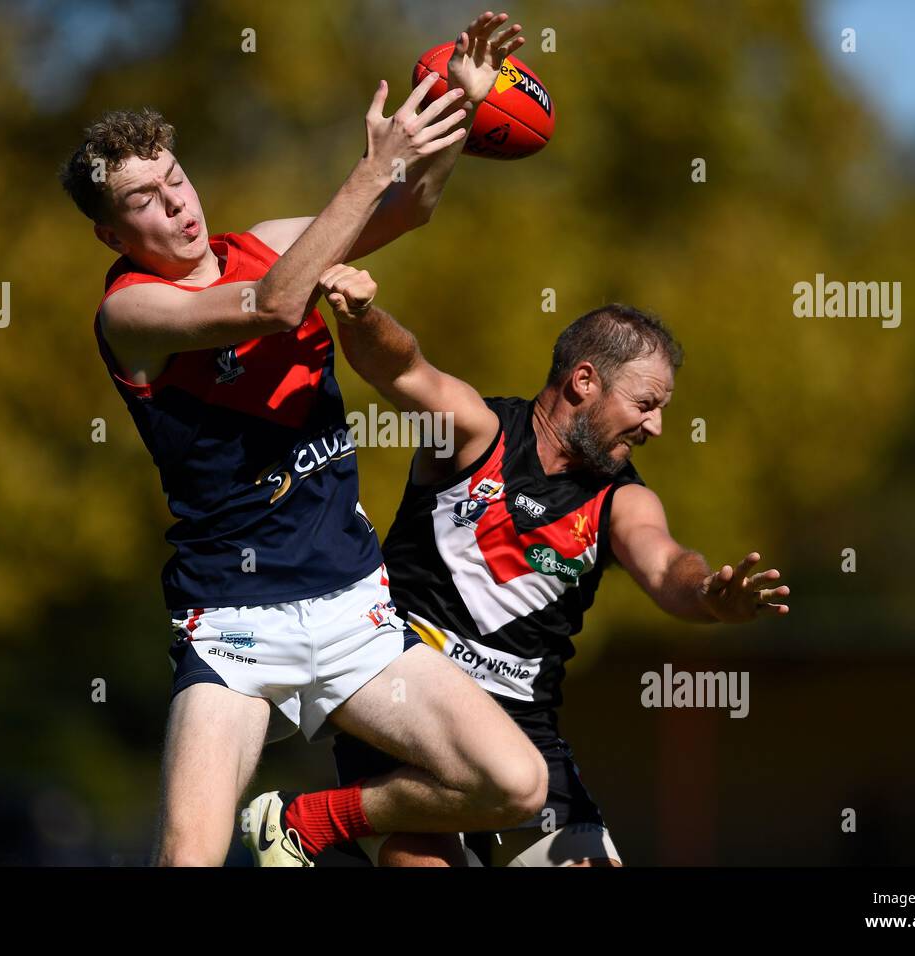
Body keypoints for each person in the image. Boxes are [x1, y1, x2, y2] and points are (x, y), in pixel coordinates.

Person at [59, 13, 550, 867]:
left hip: (353, 609)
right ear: (110, 233)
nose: (176, 203)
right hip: (234, 625)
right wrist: (368, 172)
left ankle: (304, 823)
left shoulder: (267, 242)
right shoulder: (131, 312)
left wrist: (456, 117)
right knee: (187, 858)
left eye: (175, 179)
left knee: (517, 784)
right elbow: (275, 305)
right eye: (144, 199)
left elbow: (411, 208)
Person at [305, 264, 791, 866]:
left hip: (523, 727)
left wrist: (713, 596)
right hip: (413, 701)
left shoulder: (623, 501)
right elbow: (403, 368)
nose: (657, 427)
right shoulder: (475, 433)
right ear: (585, 381)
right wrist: (360, 314)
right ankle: (310, 823)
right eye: (645, 403)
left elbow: (669, 570)